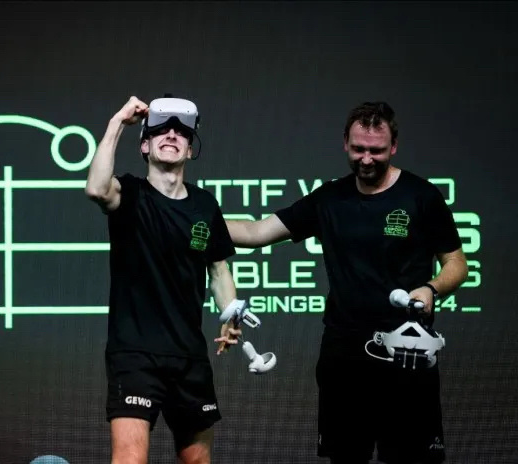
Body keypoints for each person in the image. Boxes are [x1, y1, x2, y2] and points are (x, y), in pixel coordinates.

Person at [226, 101, 468, 464]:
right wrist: (191, 216)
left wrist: (431, 288)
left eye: (376, 150)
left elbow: (457, 264)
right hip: (344, 356)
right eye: (358, 149)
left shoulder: (421, 196)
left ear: (394, 147)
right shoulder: (329, 198)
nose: (366, 159)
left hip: (408, 354)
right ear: (345, 143)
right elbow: (254, 232)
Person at [85, 95, 241, 464]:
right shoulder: (129, 193)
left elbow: (218, 270)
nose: (171, 134)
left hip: (189, 355)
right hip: (134, 354)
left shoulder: (205, 205)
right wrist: (117, 122)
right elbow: (95, 188)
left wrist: (230, 313)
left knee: (197, 461)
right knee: (130, 458)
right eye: (160, 130)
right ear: (145, 146)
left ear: (190, 150)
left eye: (181, 132)